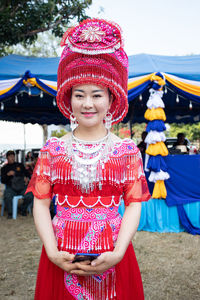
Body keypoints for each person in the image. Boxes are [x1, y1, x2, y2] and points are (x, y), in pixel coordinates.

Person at [26, 18, 151, 300]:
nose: (88, 103)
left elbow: (133, 205)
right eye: (79, 94)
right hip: (60, 254)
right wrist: (51, 250)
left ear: (111, 98)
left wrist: (118, 252)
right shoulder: (53, 149)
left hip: (113, 254)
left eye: (97, 94)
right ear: (68, 98)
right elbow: (41, 204)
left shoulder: (126, 150)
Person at [1, 150, 30, 218]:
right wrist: (7, 174)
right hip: (11, 188)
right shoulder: (4, 168)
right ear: (7, 158)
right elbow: (2, 180)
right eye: (10, 156)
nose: (12, 158)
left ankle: (23, 209)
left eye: (13, 156)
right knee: (7, 196)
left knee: (29, 195)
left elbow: (27, 174)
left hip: (21, 186)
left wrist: (27, 178)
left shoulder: (20, 165)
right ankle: (10, 213)